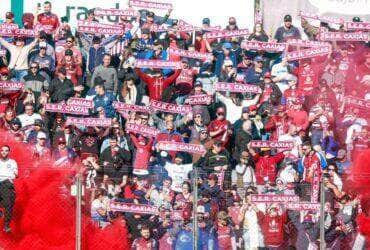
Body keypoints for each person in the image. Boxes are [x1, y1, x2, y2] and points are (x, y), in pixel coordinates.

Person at [0, 145, 18, 233]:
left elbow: (16, 174)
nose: (4, 152)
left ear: (9, 152)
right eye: (2, 150)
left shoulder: (12, 162)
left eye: (6, 150)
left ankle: (6, 226)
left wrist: (14, 175)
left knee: (8, 204)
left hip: (7, 184)